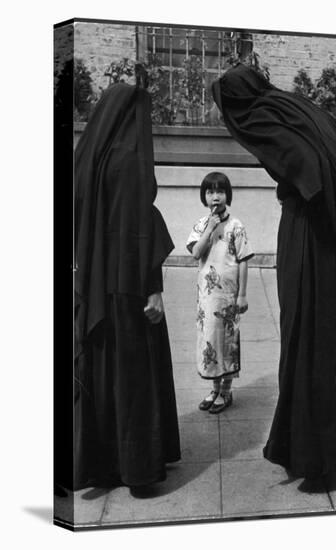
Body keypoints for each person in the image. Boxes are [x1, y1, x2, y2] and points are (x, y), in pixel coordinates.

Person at [212, 63, 336, 478]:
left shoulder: (265, 115)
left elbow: (310, 173)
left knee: (309, 331)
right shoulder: (294, 107)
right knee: (330, 329)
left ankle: (313, 450)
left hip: (313, 232)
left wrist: (297, 194)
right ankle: (327, 444)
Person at [74, 79, 181, 492]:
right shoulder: (131, 158)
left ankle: (104, 465)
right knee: (135, 376)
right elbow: (139, 226)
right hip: (130, 286)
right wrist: (153, 286)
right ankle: (138, 467)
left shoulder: (90, 158)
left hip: (98, 285)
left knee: (104, 373)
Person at [186, 172, 254, 413]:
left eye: (220, 191)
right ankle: (214, 388)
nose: (215, 196)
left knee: (227, 341)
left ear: (228, 195)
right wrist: (210, 228)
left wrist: (242, 294)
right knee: (209, 340)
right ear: (204, 196)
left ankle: (226, 391)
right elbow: (196, 253)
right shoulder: (200, 224)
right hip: (206, 297)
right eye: (210, 192)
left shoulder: (236, 226)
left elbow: (244, 260)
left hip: (228, 296)